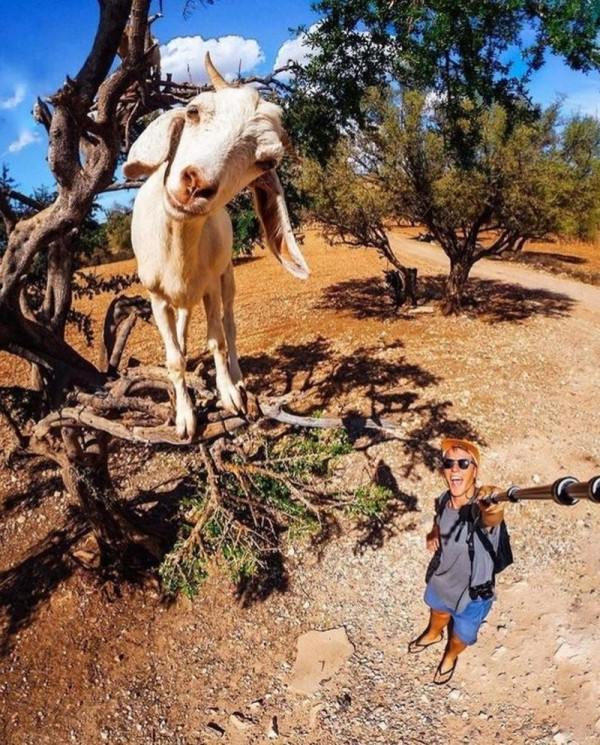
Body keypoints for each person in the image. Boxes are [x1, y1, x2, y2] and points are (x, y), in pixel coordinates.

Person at [408, 437, 505, 685]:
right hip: (443, 581)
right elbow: (440, 517)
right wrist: (434, 532)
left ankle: (450, 656)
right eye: (448, 463)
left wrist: (493, 505)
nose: (454, 469)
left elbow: (492, 518)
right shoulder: (444, 499)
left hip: (473, 597)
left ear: (475, 471)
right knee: (437, 612)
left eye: (463, 463)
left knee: (460, 637)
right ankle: (433, 634)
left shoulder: (481, 510)